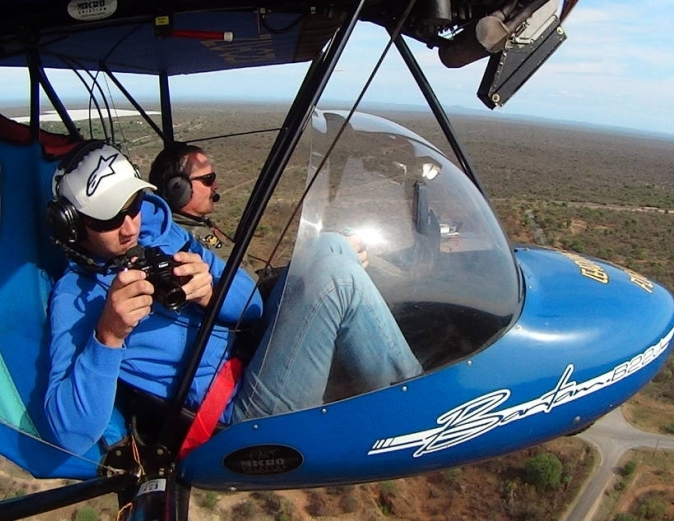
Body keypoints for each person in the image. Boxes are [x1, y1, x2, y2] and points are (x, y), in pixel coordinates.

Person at [45, 140, 422, 455]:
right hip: (240, 416)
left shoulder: (163, 238)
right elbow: (70, 435)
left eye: (132, 206)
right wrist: (108, 337)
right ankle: (415, 411)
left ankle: (395, 381)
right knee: (335, 281)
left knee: (330, 246)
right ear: (74, 225)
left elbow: (254, 306)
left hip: (253, 355)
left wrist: (211, 291)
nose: (129, 227)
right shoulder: (75, 299)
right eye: (110, 219)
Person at [148, 142, 230, 255]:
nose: (216, 185)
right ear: (178, 188)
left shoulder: (195, 226)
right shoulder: (187, 243)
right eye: (208, 179)